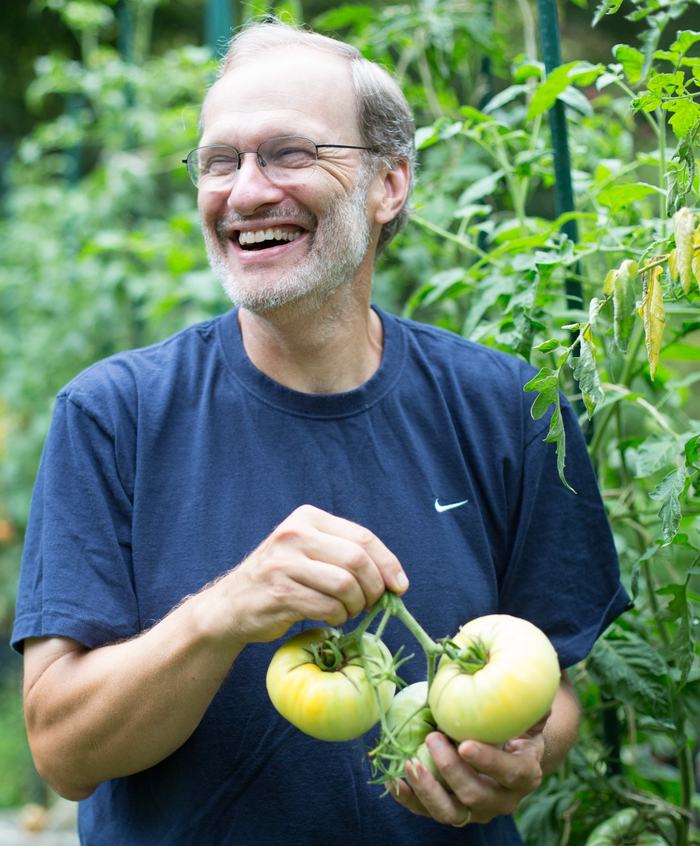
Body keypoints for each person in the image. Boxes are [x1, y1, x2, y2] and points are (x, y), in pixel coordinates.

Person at [11, 19, 630, 846]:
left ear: (390, 185)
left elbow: (552, 688)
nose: (246, 191)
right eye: (220, 161)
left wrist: (521, 759)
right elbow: (63, 750)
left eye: (291, 153)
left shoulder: (511, 407)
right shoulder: (112, 415)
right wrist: (224, 612)